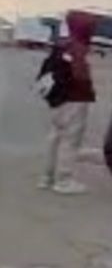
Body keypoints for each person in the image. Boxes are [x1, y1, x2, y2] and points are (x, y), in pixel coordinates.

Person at [36, 11, 97, 193]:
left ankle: (47, 177)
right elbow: (80, 76)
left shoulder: (62, 45)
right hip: (73, 98)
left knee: (55, 137)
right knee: (70, 140)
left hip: (57, 99)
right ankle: (64, 180)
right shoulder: (78, 47)